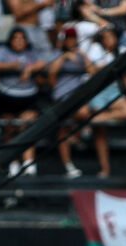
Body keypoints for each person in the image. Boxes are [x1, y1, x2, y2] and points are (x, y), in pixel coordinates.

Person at [0, 27, 45, 176]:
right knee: (10, 128)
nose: (19, 41)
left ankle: (28, 162)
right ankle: (12, 161)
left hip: (28, 96)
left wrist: (29, 69)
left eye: (22, 38)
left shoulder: (31, 53)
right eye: (16, 38)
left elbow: (43, 63)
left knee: (27, 127)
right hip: (7, 96)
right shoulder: (2, 51)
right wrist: (12, 66)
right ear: (10, 40)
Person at [86, 26, 126, 178]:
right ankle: (105, 169)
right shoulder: (95, 48)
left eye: (111, 36)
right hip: (97, 89)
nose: (110, 40)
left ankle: (96, 119)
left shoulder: (120, 50)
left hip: (113, 89)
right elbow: (92, 70)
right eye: (106, 37)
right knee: (100, 133)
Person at [48, 26, 94, 178]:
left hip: (78, 96)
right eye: (68, 38)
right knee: (63, 131)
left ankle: (79, 134)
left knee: (84, 112)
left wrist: (82, 55)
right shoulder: (57, 54)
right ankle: (68, 164)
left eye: (73, 38)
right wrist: (64, 57)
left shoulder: (81, 56)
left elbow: (93, 72)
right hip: (62, 96)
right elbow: (51, 75)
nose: (70, 41)